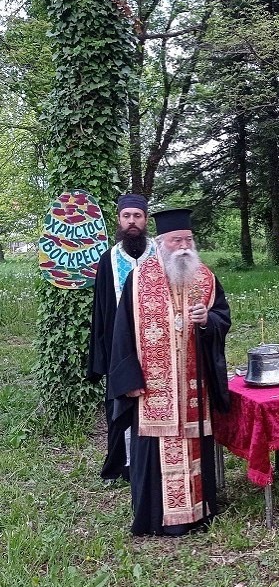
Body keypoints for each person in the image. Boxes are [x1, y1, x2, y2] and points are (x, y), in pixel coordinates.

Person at [109, 208, 231, 536]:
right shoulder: (139, 279)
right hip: (153, 391)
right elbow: (121, 334)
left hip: (194, 388)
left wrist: (208, 321)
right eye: (176, 240)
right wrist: (129, 379)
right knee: (152, 448)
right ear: (161, 243)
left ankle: (199, 513)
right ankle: (154, 517)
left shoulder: (204, 277)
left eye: (188, 240)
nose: (183, 247)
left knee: (196, 445)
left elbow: (222, 317)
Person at [87, 193, 157, 482]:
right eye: (127, 216)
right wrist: (103, 357)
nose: (132, 222)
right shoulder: (109, 259)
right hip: (121, 350)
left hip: (157, 346)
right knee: (123, 406)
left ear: (145, 219)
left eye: (137, 216)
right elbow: (101, 313)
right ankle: (127, 464)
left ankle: (156, 457)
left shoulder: (160, 253)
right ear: (119, 219)